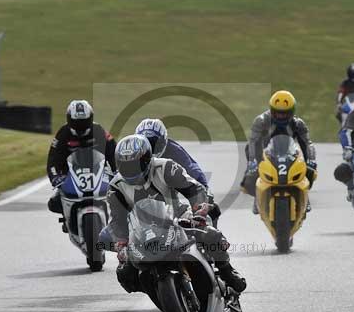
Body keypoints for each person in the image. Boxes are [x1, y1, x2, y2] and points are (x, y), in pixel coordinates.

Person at [100, 134, 246, 294]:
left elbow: (194, 188)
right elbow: (117, 219)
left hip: (178, 218)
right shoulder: (116, 186)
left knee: (211, 236)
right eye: (126, 166)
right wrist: (120, 243)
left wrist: (199, 210)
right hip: (140, 231)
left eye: (136, 164)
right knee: (125, 273)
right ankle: (156, 290)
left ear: (147, 159)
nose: (131, 170)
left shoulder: (165, 167)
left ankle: (227, 271)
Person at [134, 118, 223, 226]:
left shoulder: (174, 152)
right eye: (145, 143)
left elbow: (194, 173)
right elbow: (116, 176)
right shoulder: (130, 152)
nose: (150, 149)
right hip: (137, 205)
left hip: (169, 206)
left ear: (164, 142)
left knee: (212, 209)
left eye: (154, 144)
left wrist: (204, 198)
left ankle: (211, 240)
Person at [242, 90, 317, 213]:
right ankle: (257, 196)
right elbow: (253, 142)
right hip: (266, 152)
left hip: (289, 151)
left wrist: (311, 160)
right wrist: (252, 161)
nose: (281, 116)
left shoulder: (298, 124)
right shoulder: (261, 121)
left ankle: (304, 195)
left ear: (292, 111)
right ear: (271, 110)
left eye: (285, 114)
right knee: (251, 167)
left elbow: (308, 143)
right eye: (278, 113)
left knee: (310, 169)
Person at [47, 100, 117, 222]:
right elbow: (53, 159)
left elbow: (113, 151)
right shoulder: (63, 133)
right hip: (70, 175)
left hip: (98, 172)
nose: (80, 125)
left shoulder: (99, 130)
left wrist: (117, 172)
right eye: (77, 122)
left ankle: (118, 220)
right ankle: (68, 219)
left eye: (84, 122)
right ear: (70, 119)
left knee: (121, 195)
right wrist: (55, 178)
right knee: (54, 203)